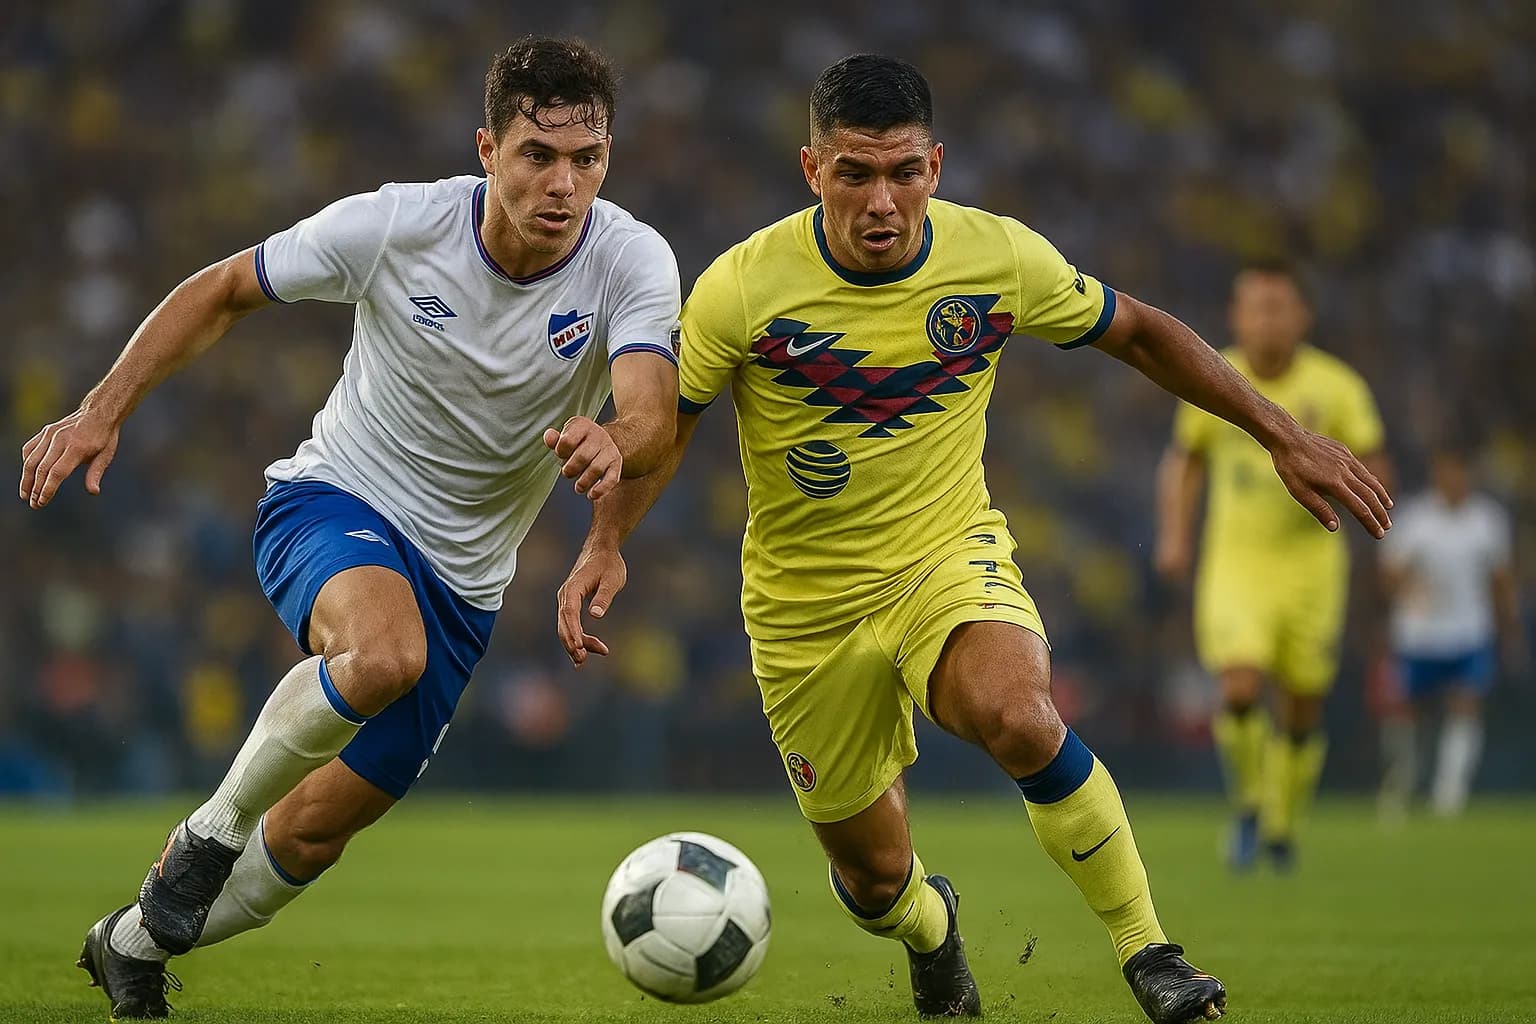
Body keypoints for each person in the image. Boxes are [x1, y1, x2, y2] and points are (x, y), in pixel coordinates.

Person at [558, 55, 1391, 1022]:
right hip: (802, 612)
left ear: (938, 166)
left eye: (904, 172)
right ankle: (932, 929)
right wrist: (604, 542)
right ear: (811, 169)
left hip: (943, 562)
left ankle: (1149, 953)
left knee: (1021, 714)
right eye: (855, 174)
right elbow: (671, 426)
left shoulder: (998, 258)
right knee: (875, 883)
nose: (882, 200)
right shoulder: (741, 288)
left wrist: (1282, 432)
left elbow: (1142, 332)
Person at [21, 36, 682, 1020]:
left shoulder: (632, 259)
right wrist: (103, 405)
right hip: (335, 500)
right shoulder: (396, 225)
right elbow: (223, 288)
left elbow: (654, 414)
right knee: (382, 653)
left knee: (308, 840)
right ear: (487, 150)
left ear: (608, 161)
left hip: (467, 583)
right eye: (537, 155)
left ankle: (131, 939)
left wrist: (611, 450)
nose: (562, 182)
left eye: (585, 159)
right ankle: (208, 832)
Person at [1155, 262, 1390, 872]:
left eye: (1278, 307)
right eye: (1255, 307)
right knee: (1238, 683)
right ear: (1236, 316)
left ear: (1301, 316)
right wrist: (1175, 534)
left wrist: (1361, 497)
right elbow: (1185, 461)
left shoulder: (1336, 387)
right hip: (1237, 565)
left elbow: (1372, 462)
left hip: (1313, 564)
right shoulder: (1216, 378)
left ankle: (1283, 826)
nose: (1267, 319)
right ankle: (1253, 801)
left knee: (1303, 702)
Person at [1377, 444, 1523, 817]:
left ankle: (1449, 793)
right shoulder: (1415, 518)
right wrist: (1409, 589)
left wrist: (1509, 626)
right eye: (1447, 471)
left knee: (1466, 705)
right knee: (1407, 712)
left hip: (1469, 631)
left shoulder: (1487, 520)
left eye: (1460, 471)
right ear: (1435, 473)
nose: (1454, 479)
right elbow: (1389, 573)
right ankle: (1404, 778)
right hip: (1419, 632)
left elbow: (1501, 579)